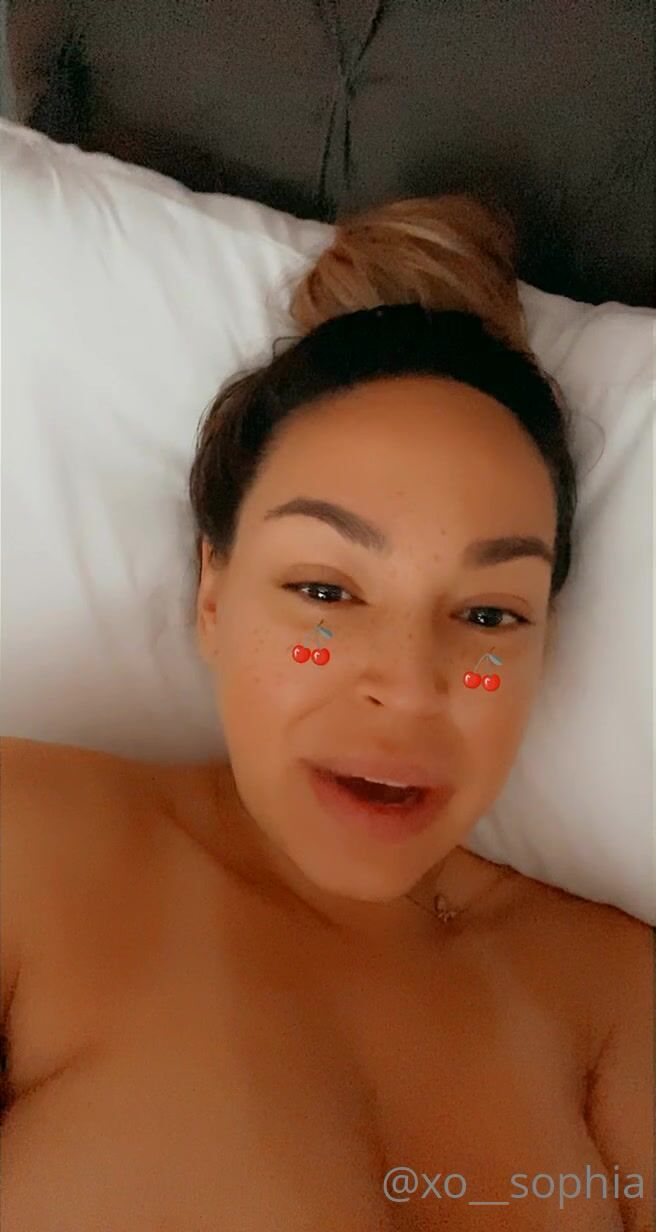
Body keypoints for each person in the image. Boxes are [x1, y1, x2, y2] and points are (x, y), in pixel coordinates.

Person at [1, 194, 652, 1232]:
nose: (408, 683)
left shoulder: (615, 994)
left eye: (488, 614)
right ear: (212, 598)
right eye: (325, 591)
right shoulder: (29, 848)